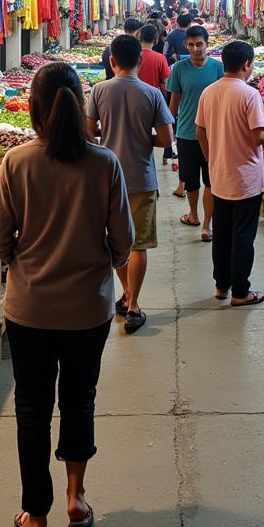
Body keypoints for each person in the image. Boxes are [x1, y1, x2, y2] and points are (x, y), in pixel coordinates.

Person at [0, 62, 134, 527]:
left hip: (29, 310)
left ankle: (36, 516)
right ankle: (76, 499)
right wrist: (99, 267)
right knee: (79, 401)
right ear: (80, 104)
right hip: (88, 311)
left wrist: (25, 265)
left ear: (33, 107)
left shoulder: (17, 162)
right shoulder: (104, 163)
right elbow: (124, 241)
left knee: (31, 410)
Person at [86, 34, 175, 335]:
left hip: (104, 178)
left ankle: (125, 293)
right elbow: (166, 140)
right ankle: (134, 303)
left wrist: (109, 130)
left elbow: (88, 134)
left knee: (115, 241)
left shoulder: (99, 91)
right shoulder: (152, 94)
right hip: (141, 179)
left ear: (112, 62)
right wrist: (141, 136)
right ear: (140, 60)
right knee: (139, 243)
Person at [196, 40, 264, 306]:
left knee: (223, 233)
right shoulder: (249, 94)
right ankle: (241, 292)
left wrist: (211, 159)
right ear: (247, 64)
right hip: (246, 178)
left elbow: (200, 131)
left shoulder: (209, 92)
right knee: (243, 236)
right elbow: (257, 136)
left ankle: (222, 286)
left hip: (220, 175)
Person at [167, 24, 224, 240]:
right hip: (186, 133)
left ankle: (207, 225)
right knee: (190, 181)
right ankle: (193, 214)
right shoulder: (179, 68)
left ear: (207, 44)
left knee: (210, 180)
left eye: (199, 44)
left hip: (214, 134)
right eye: (190, 45)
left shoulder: (218, 68)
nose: (195, 49)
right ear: (185, 45)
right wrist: (169, 127)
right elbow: (174, 102)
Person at [139, 23, 175, 163]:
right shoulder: (160, 58)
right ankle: (166, 155)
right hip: (155, 99)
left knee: (141, 129)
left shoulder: (135, 56)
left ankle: (140, 154)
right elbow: (166, 81)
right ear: (155, 39)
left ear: (139, 37)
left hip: (137, 98)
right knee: (164, 127)